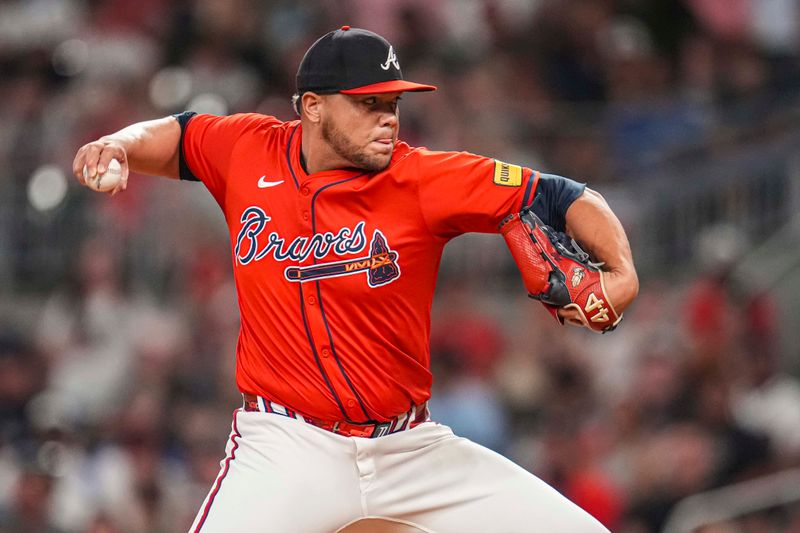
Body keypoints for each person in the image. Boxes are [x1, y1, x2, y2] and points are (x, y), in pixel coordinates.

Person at [73, 26, 638, 533]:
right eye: (369, 104)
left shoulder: (421, 178)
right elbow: (177, 134)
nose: (388, 118)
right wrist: (119, 145)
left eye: (392, 103)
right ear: (313, 107)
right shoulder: (248, 149)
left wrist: (622, 274)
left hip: (409, 448)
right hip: (288, 446)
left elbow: (564, 195)